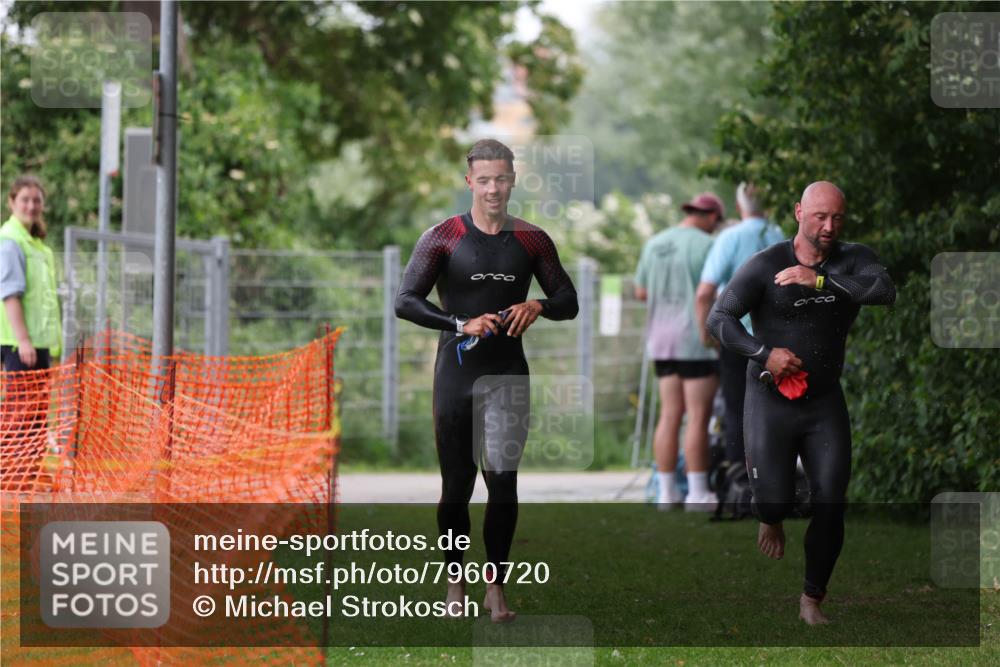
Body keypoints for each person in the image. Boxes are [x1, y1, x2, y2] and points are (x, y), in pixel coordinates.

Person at [394, 139, 578, 622]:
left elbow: (568, 300)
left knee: (503, 482)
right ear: (469, 181)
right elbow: (405, 301)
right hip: (456, 374)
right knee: (457, 485)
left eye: (501, 179)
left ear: (513, 179)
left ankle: (495, 586)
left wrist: (538, 304)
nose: (493, 188)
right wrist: (459, 323)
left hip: (507, 375)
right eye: (484, 180)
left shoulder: (532, 240)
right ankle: (455, 581)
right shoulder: (443, 237)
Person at [707, 181, 895, 625]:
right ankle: (768, 515)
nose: (828, 227)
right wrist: (763, 353)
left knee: (832, 500)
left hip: (823, 401)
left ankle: (812, 598)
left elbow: (884, 291)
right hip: (770, 397)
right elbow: (719, 318)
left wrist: (822, 280)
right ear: (798, 213)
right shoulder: (765, 264)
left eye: (837, 218)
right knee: (772, 503)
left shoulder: (853, 258)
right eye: (819, 217)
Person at [634, 192, 723, 511]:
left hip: (661, 341)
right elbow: (714, 291)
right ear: (712, 217)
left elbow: (641, 291)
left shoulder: (654, 243)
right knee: (698, 417)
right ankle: (698, 492)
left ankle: (666, 492)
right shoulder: (708, 245)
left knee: (669, 415)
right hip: (695, 341)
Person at [695, 183, 784, 468]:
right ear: (768, 206)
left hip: (736, 337)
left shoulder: (730, 238)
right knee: (777, 410)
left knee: (736, 408)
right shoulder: (780, 236)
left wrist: (706, 332)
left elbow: (704, 292)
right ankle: (777, 476)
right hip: (776, 339)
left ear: (738, 207)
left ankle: (740, 482)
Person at [1, 175, 62, 487]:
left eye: (36, 200)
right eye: (25, 199)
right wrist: (23, 339)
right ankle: (11, 476)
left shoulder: (36, 243)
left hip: (38, 343)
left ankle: (28, 471)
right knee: (19, 413)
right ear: (12, 202)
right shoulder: (11, 240)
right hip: (19, 343)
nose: (31, 205)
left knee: (37, 413)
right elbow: (10, 294)